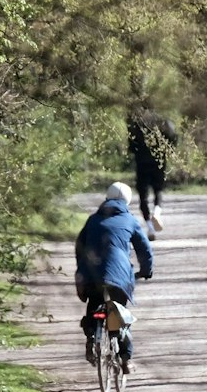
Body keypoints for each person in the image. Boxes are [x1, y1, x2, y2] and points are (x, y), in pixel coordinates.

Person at [75, 182, 154, 372]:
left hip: (90, 274)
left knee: (94, 305)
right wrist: (146, 270)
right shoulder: (130, 220)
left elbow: (79, 245)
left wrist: (81, 269)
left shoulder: (93, 220)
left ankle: (91, 336)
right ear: (127, 200)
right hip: (118, 276)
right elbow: (144, 249)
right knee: (119, 315)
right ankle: (126, 359)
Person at [126, 106, 180, 239]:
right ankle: (157, 212)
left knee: (143, 195)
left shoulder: (137, 124)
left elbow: (132, 145)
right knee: (158, 190)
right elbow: (173, 139)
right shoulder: (165, 122)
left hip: (142, 162)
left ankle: (150, 228)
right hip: (159, 161)